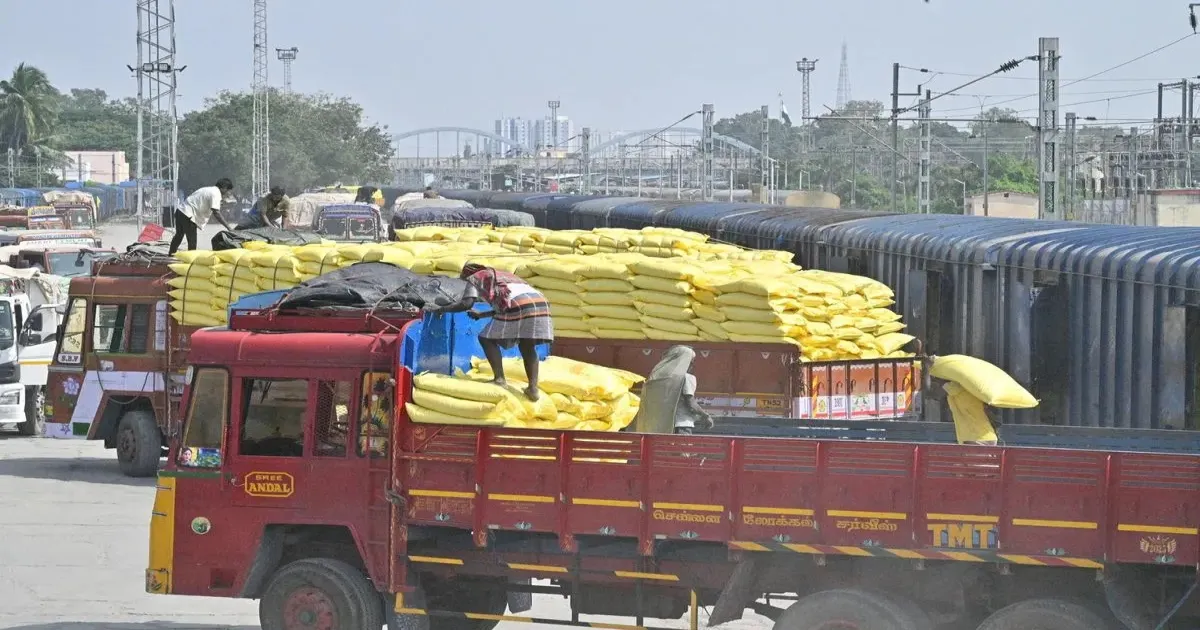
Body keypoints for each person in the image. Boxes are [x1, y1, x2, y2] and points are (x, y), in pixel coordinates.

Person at [459, 263, 553, 401]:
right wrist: (481, 315)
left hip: (519, 304)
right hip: (540, 303)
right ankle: (533, 388)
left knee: (486, 338)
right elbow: (505, 303)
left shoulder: (478, 277)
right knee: (527, 344)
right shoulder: (507, 276)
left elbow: (505, 304)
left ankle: (499, 379)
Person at [634, 346, 714, 434]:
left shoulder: (657, 379)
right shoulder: (687, 377)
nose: (692, 365)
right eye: (690, 361)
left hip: (661, 426)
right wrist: (705, 416)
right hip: (681, 425)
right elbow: (691, 404)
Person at [170, 178, 234, 255]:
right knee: (192, 241)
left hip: (180, 211)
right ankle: (191, 260)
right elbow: (216, 213)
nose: (228, 193)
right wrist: (229, 227)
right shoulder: (216, 193)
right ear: (224, 188)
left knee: (178, 236)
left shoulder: (209, 189)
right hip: (188, 214)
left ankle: (171, 254)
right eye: (228, 190)